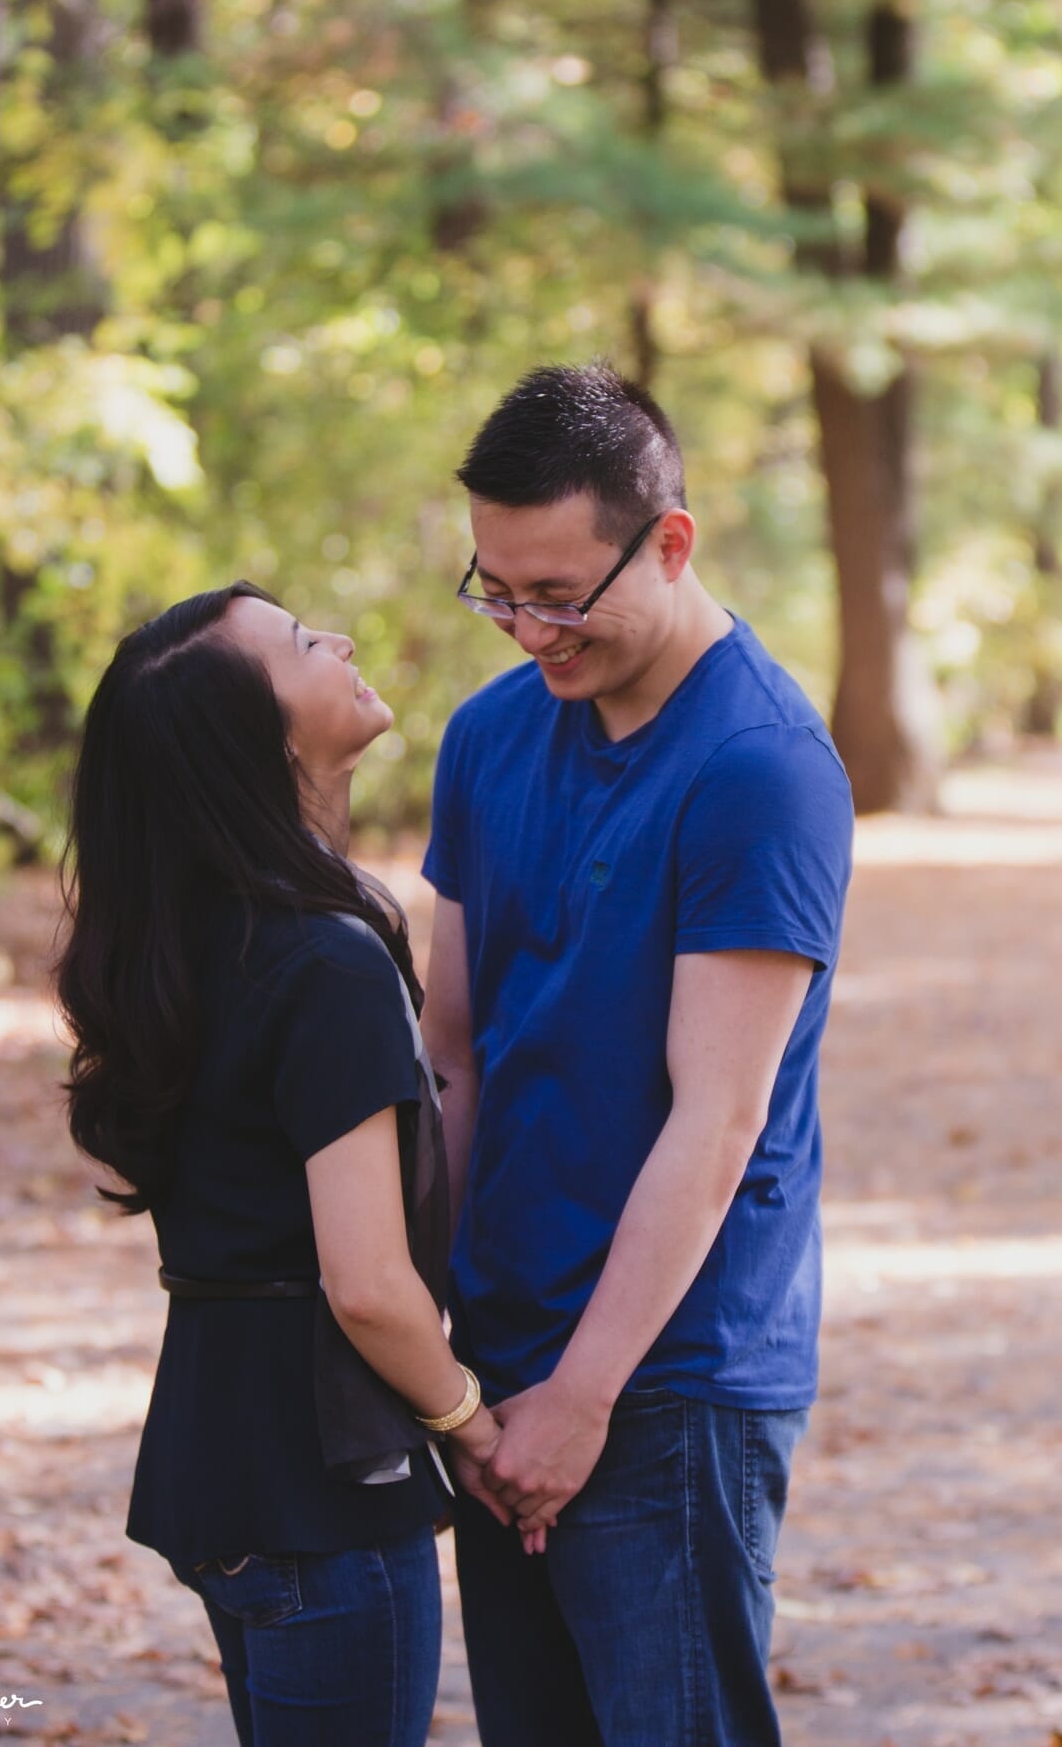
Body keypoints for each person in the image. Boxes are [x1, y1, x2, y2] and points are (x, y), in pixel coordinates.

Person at [420, 363, 856, 1747]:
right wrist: (439, 1350)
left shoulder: (758, 768)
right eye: (498, 590)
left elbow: (715, 1119)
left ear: (669, 541)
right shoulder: (490, 734)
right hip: (498, 1368)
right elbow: (453, 1054)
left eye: (560, 592)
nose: (530, 629)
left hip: (670, 1378)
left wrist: (584, 1396)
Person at [55, 582, 512, 1747]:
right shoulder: (320, 960)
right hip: (323, 1483)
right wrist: (471, 1424)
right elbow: (365, 1282)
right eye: (305, 643)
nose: (343, 639)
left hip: (221, 1454)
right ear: (254, 737)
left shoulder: (190, 938)